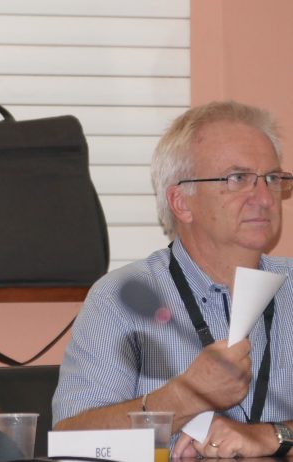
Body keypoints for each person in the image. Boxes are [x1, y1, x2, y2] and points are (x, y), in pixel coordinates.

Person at [52, 100, 293, 458]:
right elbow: (70, 442)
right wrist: (183, 398)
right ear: (181, 202)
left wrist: (273, 435)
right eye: (238, 178)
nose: (264, 198)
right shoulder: (119, 299)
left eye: (272, 178)